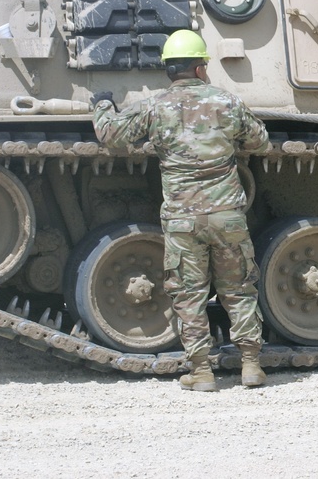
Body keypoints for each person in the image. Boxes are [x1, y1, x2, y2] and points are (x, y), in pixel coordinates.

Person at [92, 29, 270, 390]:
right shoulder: (226, 102)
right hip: (226, 215)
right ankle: (251, 366)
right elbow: (260, 141)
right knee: (238, 289)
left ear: (169, 71)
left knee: (189, 295)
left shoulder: (156, 107)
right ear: (202, 68)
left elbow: (112, 136)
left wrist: (102, 104)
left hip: (182, 218)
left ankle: (202, 372)